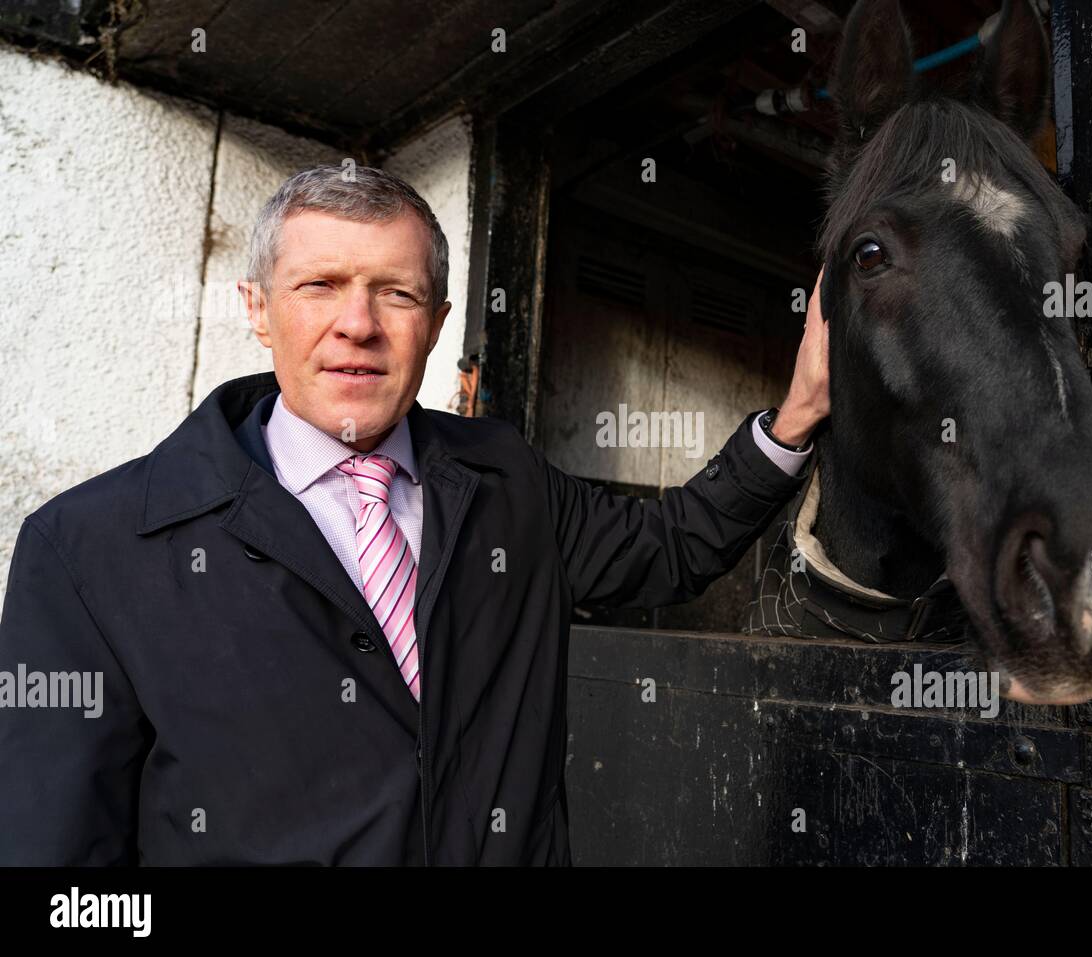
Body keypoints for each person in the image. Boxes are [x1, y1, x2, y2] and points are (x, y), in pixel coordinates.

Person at [0, 164, 829, 865]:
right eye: (319, 285)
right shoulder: (88, 548)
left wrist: (796, 416)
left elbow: (669, 547)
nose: (356, 325)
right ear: (258, 308)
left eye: (395, 293)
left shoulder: (507, 480)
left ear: (436, 324)